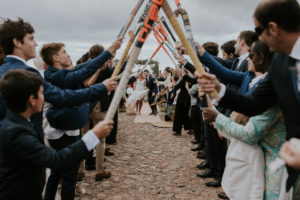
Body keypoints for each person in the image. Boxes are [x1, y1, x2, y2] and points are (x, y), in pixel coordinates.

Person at [198, 0, 300, 192]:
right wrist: (219, 90)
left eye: (258, 30)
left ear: (273, 28)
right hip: (286, 177)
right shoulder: (279, 63)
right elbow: (255, 103)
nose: (257, 39)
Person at [0, 69, 114, 200]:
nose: (45, 98)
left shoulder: (16, 123)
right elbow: (57, 161)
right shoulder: (17, 133)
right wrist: (93, 136)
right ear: (32, 100)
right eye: (42, 94)